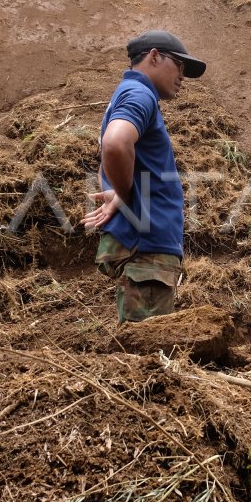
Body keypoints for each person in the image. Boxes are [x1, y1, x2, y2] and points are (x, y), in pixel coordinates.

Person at [80, 30, 206, 322]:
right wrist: (124, 196)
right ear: (154, 56)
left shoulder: (130, 95)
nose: (183, 77)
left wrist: (116, 192)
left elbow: (108, 152)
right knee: (148, 351)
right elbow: (114, 143)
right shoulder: (139, 94)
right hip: (149, 249)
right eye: (180, 65)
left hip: (146, 242)